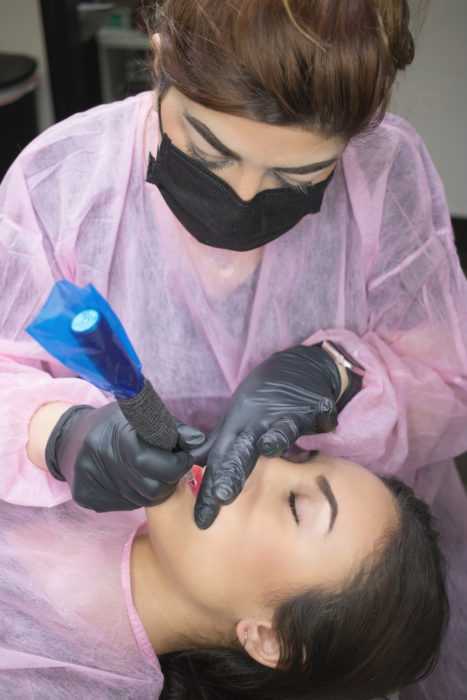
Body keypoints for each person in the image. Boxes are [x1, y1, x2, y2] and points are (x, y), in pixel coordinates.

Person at [0, 0, 466, 697]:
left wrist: (339, 376)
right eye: (209, 151)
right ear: (160, 53)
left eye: (297, 178)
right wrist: (57, 433)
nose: (244, 195)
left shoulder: (384, 169)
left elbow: (446, 377)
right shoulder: (63, 181)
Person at [0, 452, 449, 699]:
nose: (259, 462)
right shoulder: (108, 457)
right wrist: (50, 429)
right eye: (295, 454)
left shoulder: (55, 682)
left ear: (269, 638)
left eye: (295, 505)